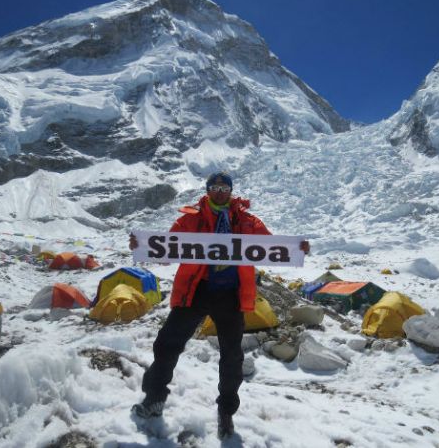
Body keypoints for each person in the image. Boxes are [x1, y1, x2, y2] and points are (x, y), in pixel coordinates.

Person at [129, 171, 310, 439]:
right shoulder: (190, 219)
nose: (220, 191)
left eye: (225, 187)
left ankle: (226, 413)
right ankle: (154, 399)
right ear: (207, 190)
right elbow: (167, 251)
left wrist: (297, 248)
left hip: (231, 295)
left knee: (231, 356)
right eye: (215, 187)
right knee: (167, 343)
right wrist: (144, 246)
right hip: (196, 291)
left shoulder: (248, 221)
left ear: (231, 191)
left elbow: (272, 246)